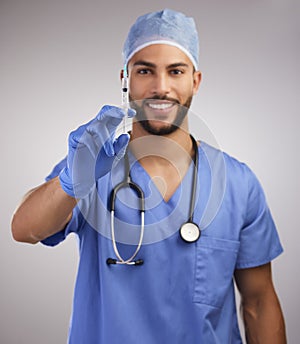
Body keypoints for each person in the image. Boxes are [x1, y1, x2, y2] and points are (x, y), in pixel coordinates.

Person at [11, 8, 286, 344]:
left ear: (195, 80)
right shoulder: (90, 165)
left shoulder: (238, 183)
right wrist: (71, 181)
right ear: (125, 79)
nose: (161, 87)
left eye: (176, 71)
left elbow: (259, 302)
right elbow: (24, 229)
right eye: (145, 71)